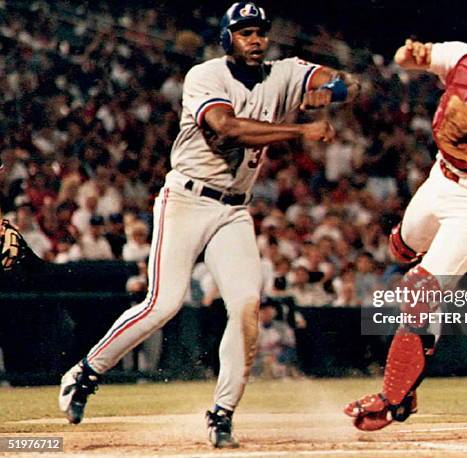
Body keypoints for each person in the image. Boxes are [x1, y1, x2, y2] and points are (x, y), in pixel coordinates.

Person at [58, 1, 359, 449]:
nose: (254, 40)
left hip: (234, 209)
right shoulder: (206, 76)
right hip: (187, 198)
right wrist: (300, 130)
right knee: (164, 302)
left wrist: (332, 91)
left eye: (260, 32)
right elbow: (226, 126)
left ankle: (222, 413)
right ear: (227, 38)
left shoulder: (284, 72)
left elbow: (348, 82)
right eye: (244, 33)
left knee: (246, 306)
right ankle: (86, 371)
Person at [345, 36, 467, 431]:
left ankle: (394, 399)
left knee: (421, 291)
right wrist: (410, 56)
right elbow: (409, 57)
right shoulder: (464, 57)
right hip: (440, 181)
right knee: (400, 249)